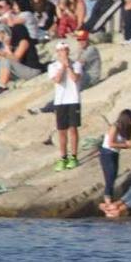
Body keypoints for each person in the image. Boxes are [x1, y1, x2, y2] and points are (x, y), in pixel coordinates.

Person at [48, 41, 83, 172]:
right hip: (60, 101)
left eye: (65, 50)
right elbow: (56, 80)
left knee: (73, 129)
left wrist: (68, 67)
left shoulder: (76, 64)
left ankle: (73, 156)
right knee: (61, 130)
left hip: (73, 99)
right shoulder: (53, 66)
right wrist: (62, 66)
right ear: (57, 52)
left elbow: (75, 78)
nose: (64, 52)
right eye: (61, 50)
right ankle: (63, 157)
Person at [97, 109, 131, 211]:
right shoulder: (115, 127)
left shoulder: (127, 128)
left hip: (115, 153)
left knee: (113, 176)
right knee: (110, 176)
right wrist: (125, 145)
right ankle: (107, 202)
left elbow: (127, 141)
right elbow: (111, 143)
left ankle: (107, 200)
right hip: (107, 153)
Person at [0, 17, 44, 95]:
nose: (0, 36)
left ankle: (1, 86)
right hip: (23, 70)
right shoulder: (11, 45)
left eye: (2, 33)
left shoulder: (24, 42)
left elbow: (16, 58)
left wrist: (4, 50)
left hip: (33, 71)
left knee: (5, 60)